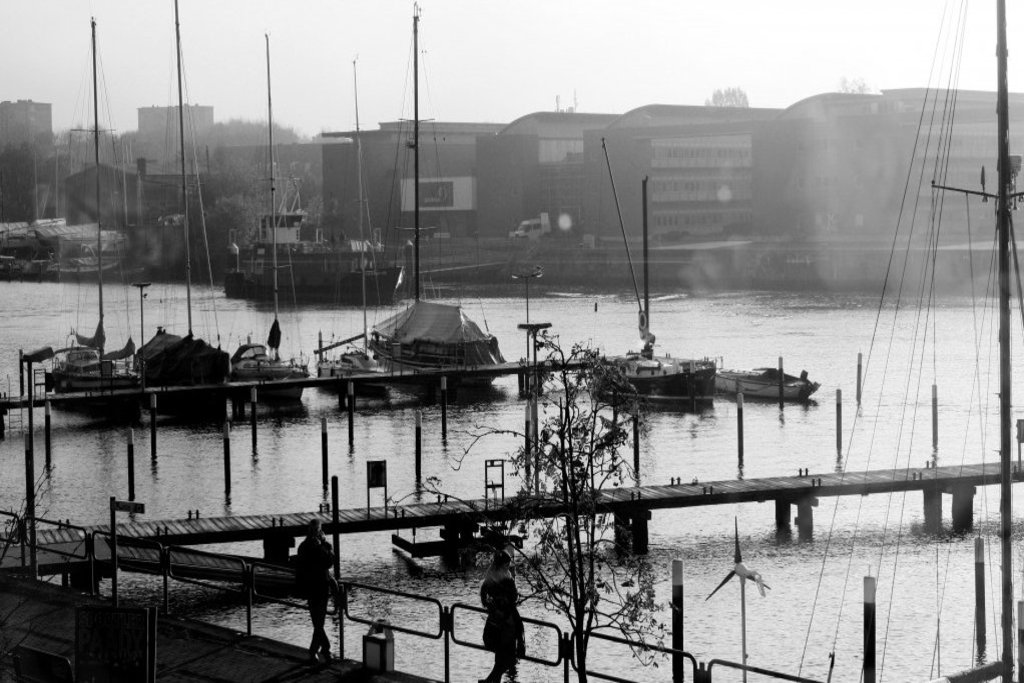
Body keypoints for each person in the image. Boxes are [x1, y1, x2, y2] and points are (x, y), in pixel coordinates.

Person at [479, 549, 524, 683]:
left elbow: (484, 595)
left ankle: (489, 681)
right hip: (505, 619)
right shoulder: (505, 576)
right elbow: (513, 596)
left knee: (500, 658)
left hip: (496, 617)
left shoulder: (491, 575)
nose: (508, 566)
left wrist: (491, 606)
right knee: (505, 658)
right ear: (503, 563)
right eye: (507, 564)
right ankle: (488, 681)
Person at [295, 519, 336, 664]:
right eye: (315, 530)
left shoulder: (314, 546)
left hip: (319, 587)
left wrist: (322, 546)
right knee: (318, 621)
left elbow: (330, 561)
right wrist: (321, 547)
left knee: (318, 620)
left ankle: (319, 649)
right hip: (315, 586)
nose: (316, 533)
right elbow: (327, 562)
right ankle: (322, 648)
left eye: (317, 530)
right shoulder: (306, 547)